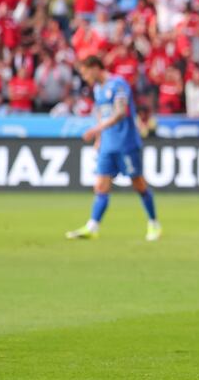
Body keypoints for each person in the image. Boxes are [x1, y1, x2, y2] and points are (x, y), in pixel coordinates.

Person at [66, 55, 161, 241]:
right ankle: (93, 226)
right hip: (108, 144)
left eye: (86, 73)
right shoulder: (98, 89)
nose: (85, 78)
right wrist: (99, 138)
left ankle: (153, 223)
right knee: (101, 185)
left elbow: (120, 113)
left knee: (138, 183)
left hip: (126, 143)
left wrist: (96, 130)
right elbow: (101, 113)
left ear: (95, 67)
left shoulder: (118, 84)